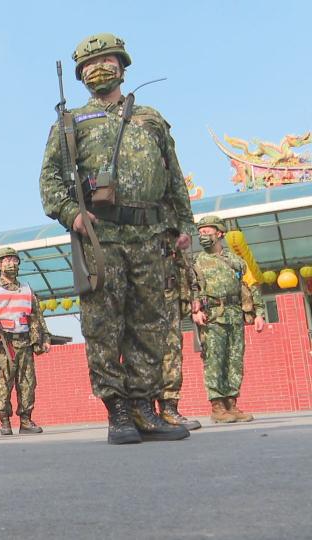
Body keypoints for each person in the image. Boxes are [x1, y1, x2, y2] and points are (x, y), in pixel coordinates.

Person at [39, 33, 194, 444]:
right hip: (100, 236)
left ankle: (145, 408)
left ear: (123, 66)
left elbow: (174, 176)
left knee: (149, 324)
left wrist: (186, 225)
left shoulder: (151, 119)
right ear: (80, 77)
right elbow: (50, 182)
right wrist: (72, 214)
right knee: (104, 326)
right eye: (89, 66)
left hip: (149, 234)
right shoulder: (69, 124)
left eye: (105, 61)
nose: (98, 70)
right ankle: (118, 411)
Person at [191, 215, 266, 423]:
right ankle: (217, 407)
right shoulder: (197, 262)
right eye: (200, 232)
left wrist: (259, 312)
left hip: (235, 316)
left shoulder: (236, 261)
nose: (203, 235)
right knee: (214, 360)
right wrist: (194, 310)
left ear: (220, 233)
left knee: (235, 360)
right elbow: (191, 288)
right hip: (212, 316)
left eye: (207, 231)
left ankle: (232, 404)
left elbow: (251, 285)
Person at [0, 247, 51, 435]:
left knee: (27, 382)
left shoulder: (27, 290)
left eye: (13, 259)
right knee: (3, 383)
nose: (10, 263)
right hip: (4, 344)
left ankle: (26, 420)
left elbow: (37, 317)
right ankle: (4, 421)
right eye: (5, 260)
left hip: (25, 341)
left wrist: (44, 338)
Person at [158, 229, 202, 430]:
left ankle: (169, 408)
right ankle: (142, 410)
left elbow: (186, 267)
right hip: (145, 298)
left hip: (171, 297)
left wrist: (193, 296)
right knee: (143, 354)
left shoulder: (172, 229)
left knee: (173, 353)